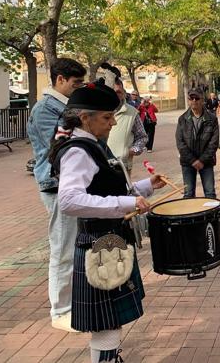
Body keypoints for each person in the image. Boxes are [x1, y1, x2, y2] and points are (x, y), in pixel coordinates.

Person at [50, 79, 166, 362]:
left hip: (109, 241)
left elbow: (106, 191)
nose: (113, 122)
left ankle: (109, 357)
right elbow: (69, 201)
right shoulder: (78, 151)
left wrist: (144, 187)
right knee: (105, 320)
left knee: (111, 318)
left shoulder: (95, 145)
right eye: (106, 117)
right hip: (99, 243)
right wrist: (126, 202)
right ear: (85, 118)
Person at [27, 58, 86, 331]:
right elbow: (60, 146)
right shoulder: (45, 110)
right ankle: (60, 310)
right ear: (59, 79)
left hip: (70, 185)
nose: (78, 88)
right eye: (75, 84)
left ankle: (73, 303)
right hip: (56, 185)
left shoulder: (65, 106)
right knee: (62, 248)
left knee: (73, 247)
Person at [175, 88, 220, 199]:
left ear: (202, 100)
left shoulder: (212, 119)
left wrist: (201, 160)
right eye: (191, 98)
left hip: (206, 162)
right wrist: (193, 161)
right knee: (188, 194)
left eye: (197, 98)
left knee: (210, 193)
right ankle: (189, 216)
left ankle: (212, 216)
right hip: (187, 162)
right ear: (188, 100)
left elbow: (213, 143)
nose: (194, 101)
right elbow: (180, 142)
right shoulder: (183, 119)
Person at [109, 79, 148, 173]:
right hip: (100, 165)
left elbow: (142, 137)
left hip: (122, 166)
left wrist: (130, 151)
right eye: (112, 91)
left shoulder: (132, 112)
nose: (115, 95)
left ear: (123, 93)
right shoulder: (98, 111)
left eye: (118, 92)